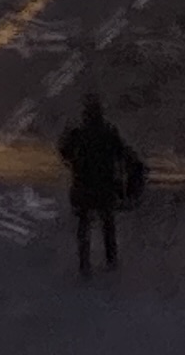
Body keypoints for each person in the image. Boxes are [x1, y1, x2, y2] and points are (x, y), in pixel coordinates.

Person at [59, 94, 147, 274]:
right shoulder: (109, 134)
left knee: (84, 225)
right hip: (105, 186)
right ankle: (111, 261)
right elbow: (125, 156)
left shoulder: (79, 134)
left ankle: (84, 263)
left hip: (83, 185)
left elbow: (65, 153)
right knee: (107, 223)